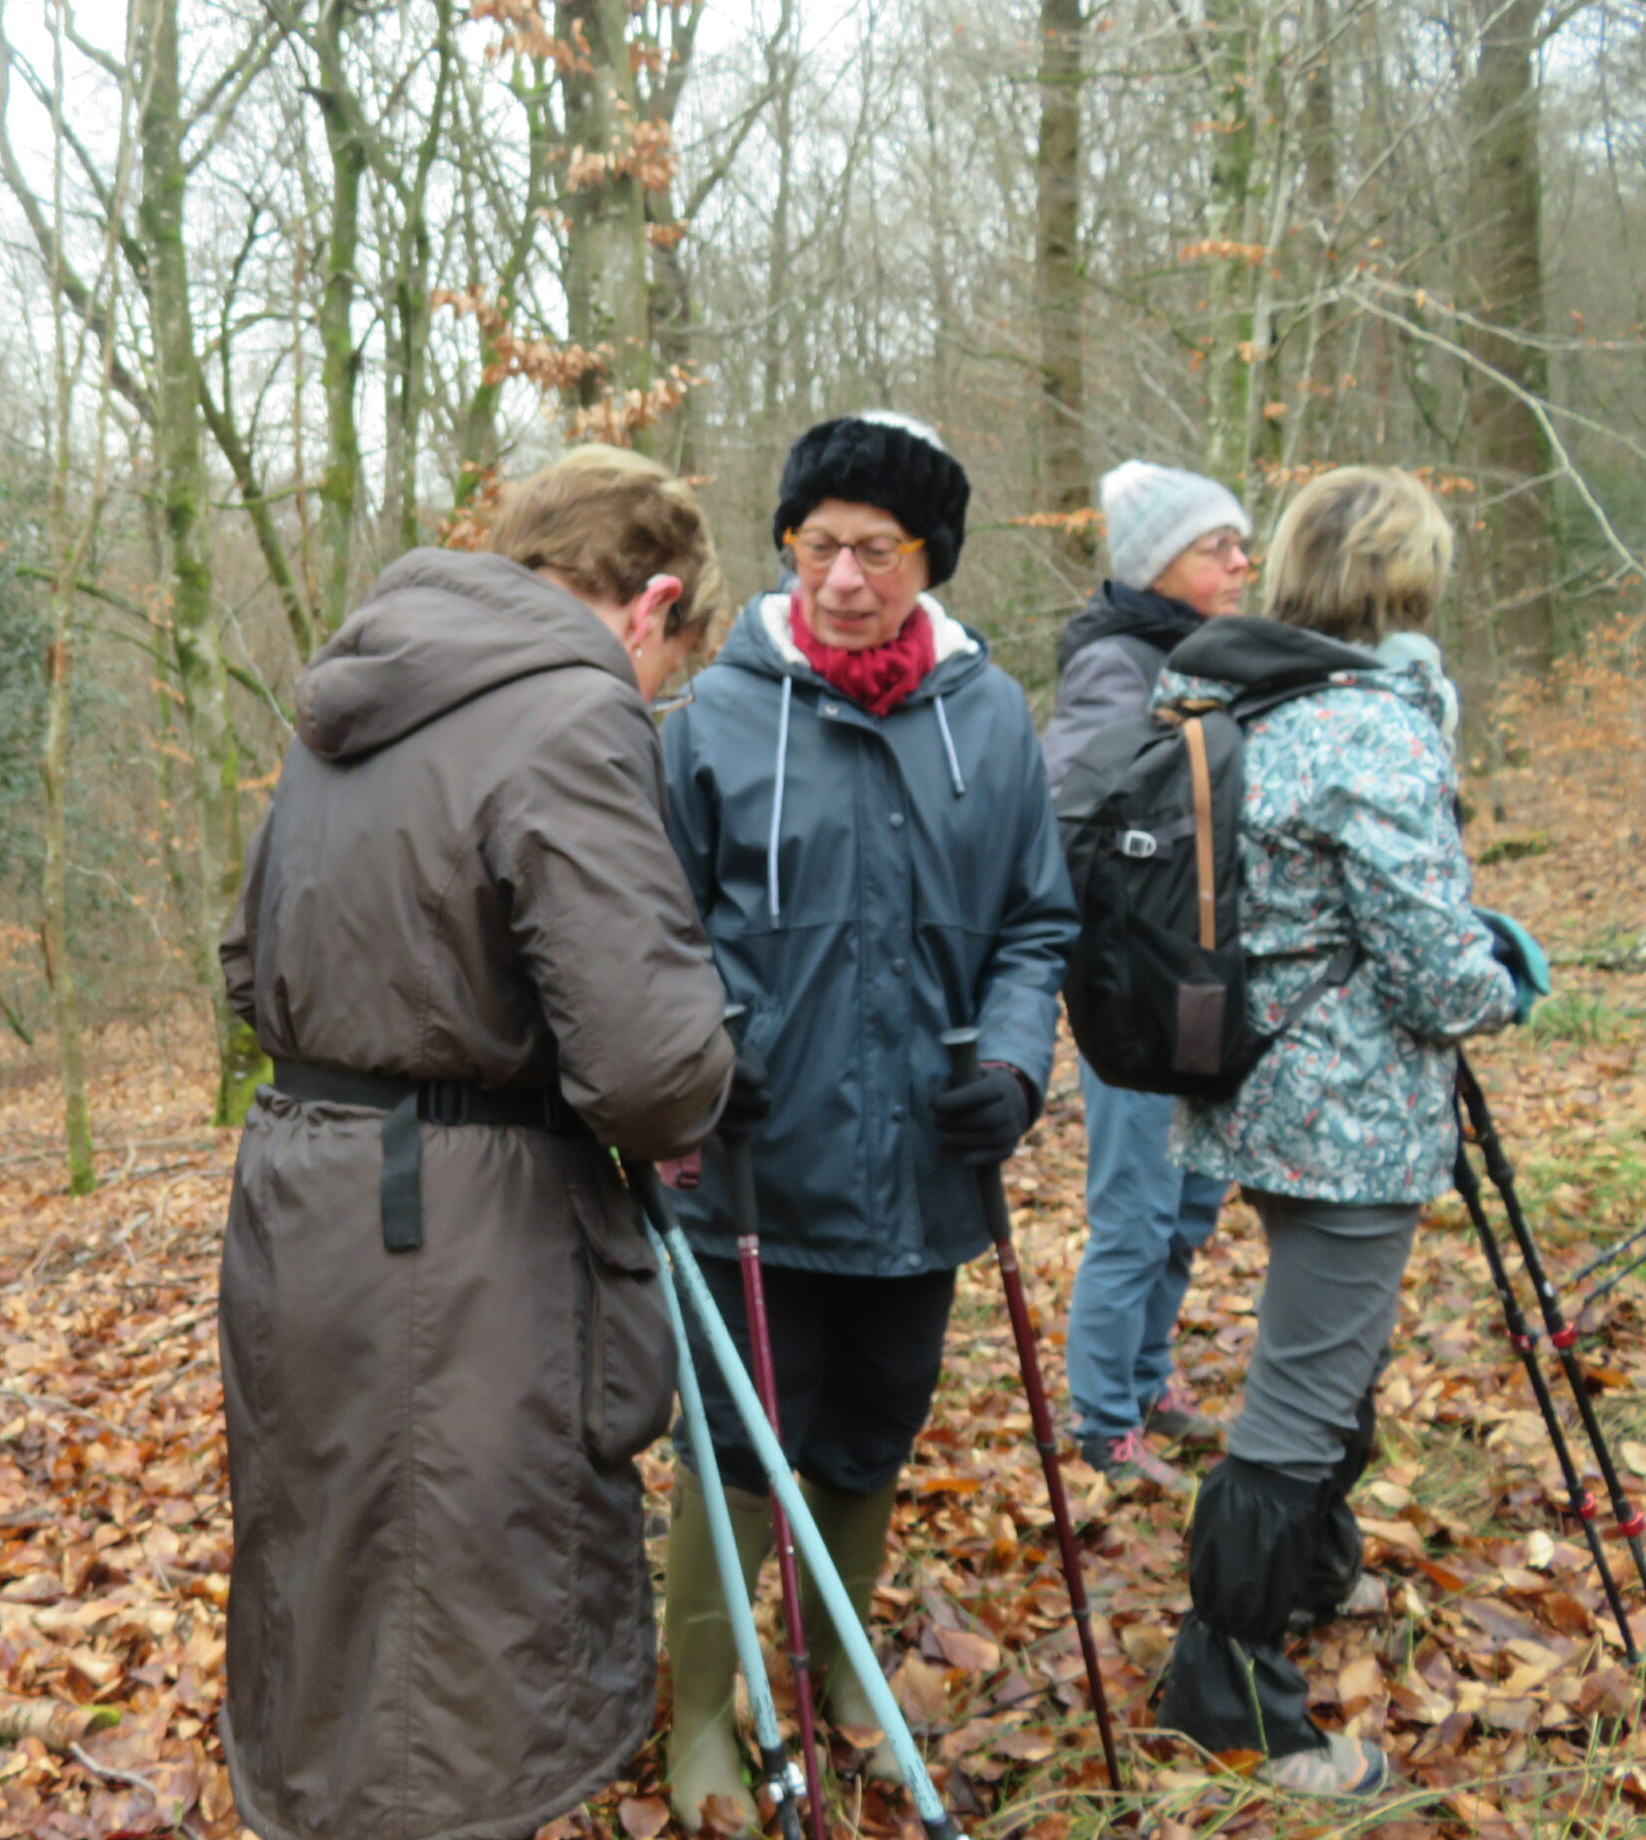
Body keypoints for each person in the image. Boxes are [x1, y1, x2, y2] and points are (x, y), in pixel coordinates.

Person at [216, 445, 745, 1840]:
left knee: (334, 1560)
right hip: (462, 1238)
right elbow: (649, 1067)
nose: (658, 690)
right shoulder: (570, 708)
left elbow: (245, 961)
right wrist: (711, 1056)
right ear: (655, 603)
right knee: (460, 1607)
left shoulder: (351, 697)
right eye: (672, 661)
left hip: (300, 1194)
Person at [656, 414, 1078, 1825]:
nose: (843, 578)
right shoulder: (711, 718)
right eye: (818, 544)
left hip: (927, 1168)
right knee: (736, 1441)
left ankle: (841, 1666)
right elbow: (656, 924)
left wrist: (1012, 1067)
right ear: (789, 546)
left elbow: (1035, 925)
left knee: (874, 1426)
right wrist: (704, 1047)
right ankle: (699, 1717)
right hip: (753, 1166)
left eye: (877, 550)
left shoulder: (991, 718)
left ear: (928, 560)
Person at [1152, 467, 1531, 1796]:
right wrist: (1501, 979)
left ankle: (1309, 1571)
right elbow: (1434, 972)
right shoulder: (1370, 728)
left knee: (1331, 1357)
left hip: (1252, 1090)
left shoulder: (1228, 699)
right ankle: (1228, 1688)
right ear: (1402, 585)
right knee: (1305, 1394)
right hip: (1350, 1118)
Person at [1041, 460, 1255, 1490]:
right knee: (1134, 1210)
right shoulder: (1115, 664)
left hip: (1205, 978)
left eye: (1241, 544)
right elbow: (1074, 813)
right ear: (1156, 564)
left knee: (1191, 1203)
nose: (1241, 562)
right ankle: (1103, 1419)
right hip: (1137, 992)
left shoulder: (1212, 656)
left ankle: (1147, 1376)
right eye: (1218, 547)